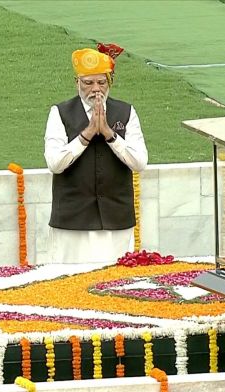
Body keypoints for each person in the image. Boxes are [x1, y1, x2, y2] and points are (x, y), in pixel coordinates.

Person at [43, 46, 148, 263]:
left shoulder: (126, 112)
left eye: (101, 82)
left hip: (116, 219)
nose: (95, 89)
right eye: (88, 82)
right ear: (77, 83)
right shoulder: (60, 113)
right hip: (72, 221)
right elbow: (55, 163)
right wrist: (87, 134)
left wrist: (110, 135)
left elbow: (139, 162)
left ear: (110, 82)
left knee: (114, 279)